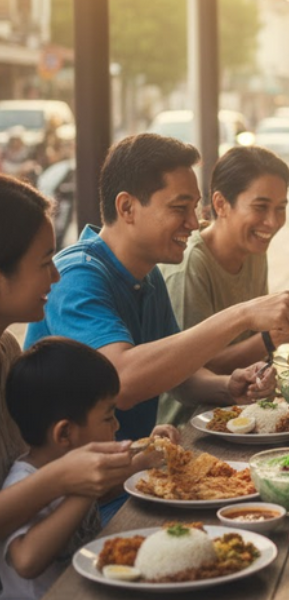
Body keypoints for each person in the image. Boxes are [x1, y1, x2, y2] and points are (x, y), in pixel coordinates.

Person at [25, 133, 289, 443]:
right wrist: (243, 315)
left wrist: (228, 386)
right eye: (179, 208)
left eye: (194, 208)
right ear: (127, 207)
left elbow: (181, 378)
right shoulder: (76, 275)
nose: (194, 223)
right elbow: (122, 382)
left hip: (131, 465)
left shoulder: (149, 274)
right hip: (81, 488)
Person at [0, 174, 161, 569]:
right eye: (43, 263)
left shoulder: (7, 350)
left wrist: (131, 456)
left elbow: (42, 456)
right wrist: (66, 479)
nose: (56, 276)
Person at [159, 146, 289, 425]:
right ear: (221, 204)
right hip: (191, 424)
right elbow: (191, 368)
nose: (273, 222)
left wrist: (286, 330)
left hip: (245, 412)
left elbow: (254, 343)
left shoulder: (254, 251)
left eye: (281, 208)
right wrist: (274, 337)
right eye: (260, 207)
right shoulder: (191, 264)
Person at [0, 339, 175, 599]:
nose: (116, 426)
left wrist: (145, 458)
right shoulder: (23, 481)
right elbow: (26, 562)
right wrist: (84, 490)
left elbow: (99, 490)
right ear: (65, 433)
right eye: (108, 417)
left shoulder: (60, 464)